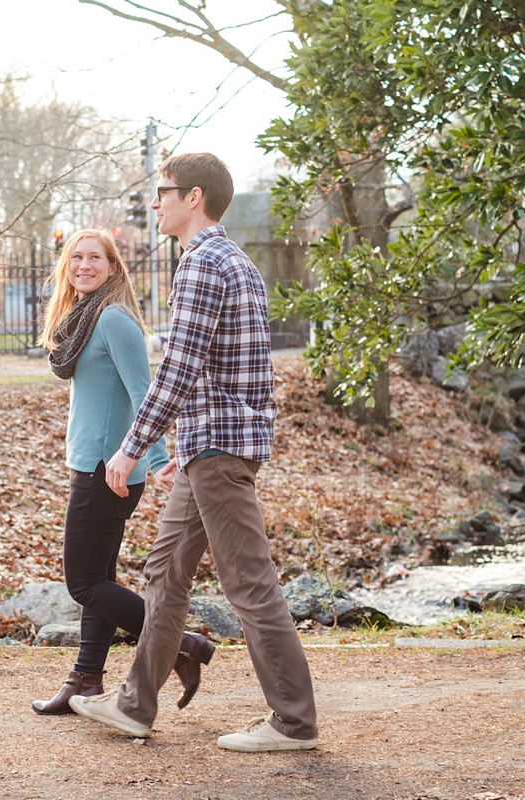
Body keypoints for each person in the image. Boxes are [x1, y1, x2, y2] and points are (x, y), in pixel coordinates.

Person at [69, 154, 319, 752]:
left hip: (219, 449)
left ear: (194, 197)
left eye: (163, 193)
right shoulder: (229, 261)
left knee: (250, 585)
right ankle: (134, 705)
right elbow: (220, 370)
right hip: (210, 446)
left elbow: (180, 369)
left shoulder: (205, 263)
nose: (154, 203)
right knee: (164, 572)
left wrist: (132, 449)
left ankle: (293, 722)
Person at [32, 228, 216, 716]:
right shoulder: (82, 318)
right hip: (90, 464)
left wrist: (154, 459)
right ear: (66, 266)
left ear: (113, 268)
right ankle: (85, 680)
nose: (85, 265)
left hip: (109, 471)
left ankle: (184, 643)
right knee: (101, 578)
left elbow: (145, 393)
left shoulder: (114, 320)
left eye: (96, 258)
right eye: (77, 257)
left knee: (83, 584)